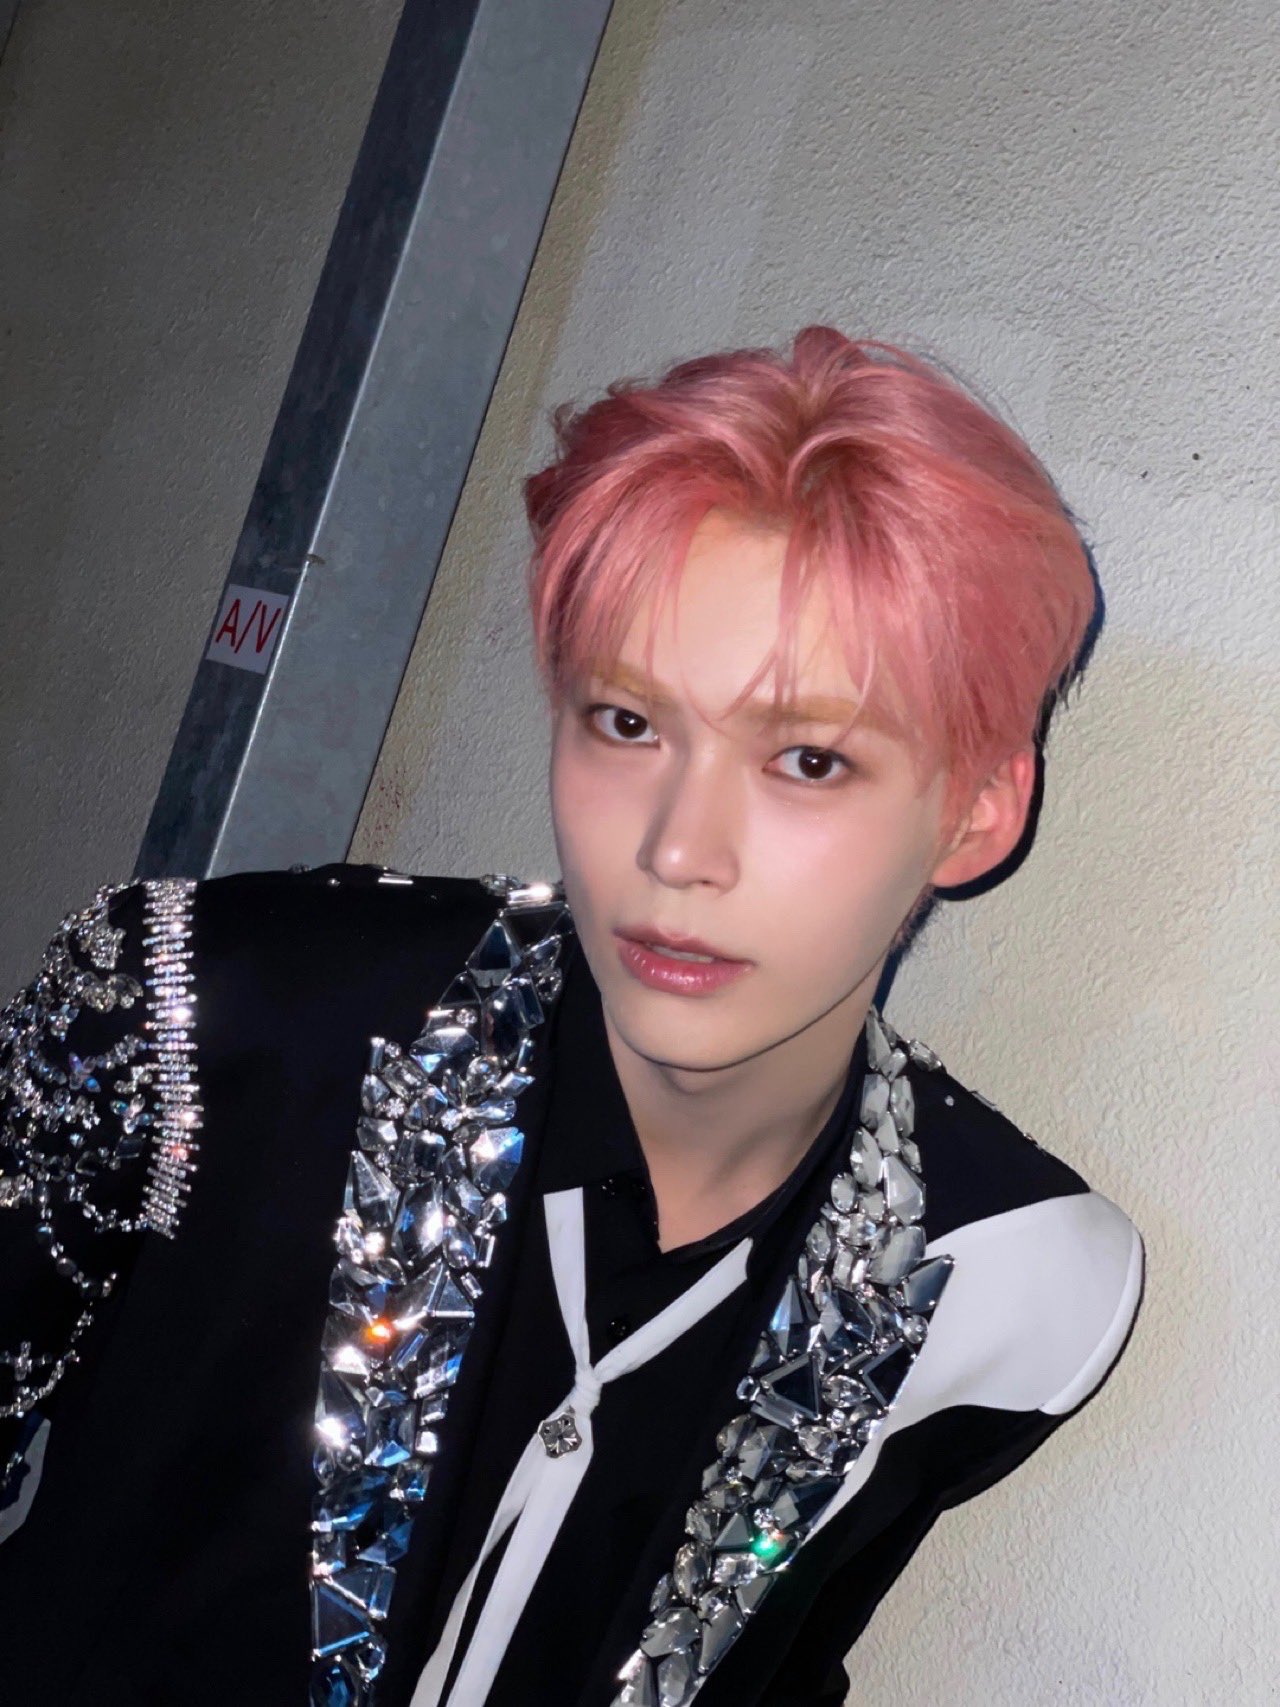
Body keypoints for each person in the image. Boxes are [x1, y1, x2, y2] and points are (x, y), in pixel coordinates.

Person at [0, 327, 1145, 1707]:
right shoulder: (216, 1015)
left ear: (976, 811)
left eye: (807, 758)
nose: (676, 849)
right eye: (626, 724)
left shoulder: (1007, 1280)